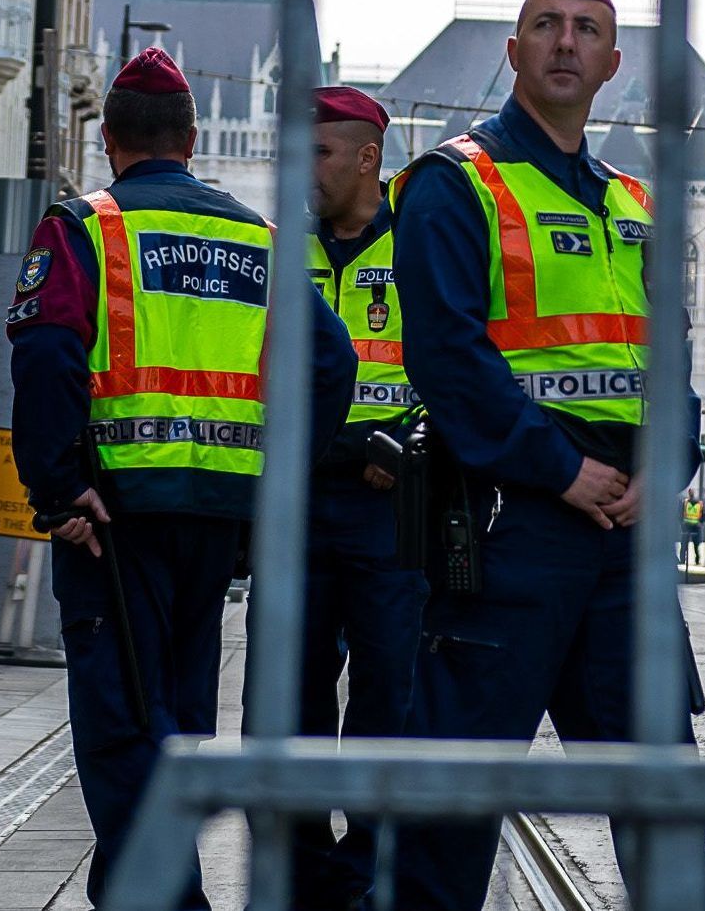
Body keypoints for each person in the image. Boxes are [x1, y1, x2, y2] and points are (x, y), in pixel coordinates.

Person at [376, 0, 705, 910]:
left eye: (585, 27)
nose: (565, 40)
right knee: (447, 824)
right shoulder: (457, 184)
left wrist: (673, 462)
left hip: (624, 542)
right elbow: (446, 358)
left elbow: (673, 363)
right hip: (506, 531)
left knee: (664, 814)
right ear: (513, 51)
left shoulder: (634, 205)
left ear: (613, 60)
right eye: (546, 24)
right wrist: (559, 468)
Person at [7, 46, 357, 909]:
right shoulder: (258, 237)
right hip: (216, 524)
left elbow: (47, 352)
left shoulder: (86, 227)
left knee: (124, 729)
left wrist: (58, 487)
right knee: (175, 723)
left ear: (107, 137)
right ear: (193, 139)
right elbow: (333, 364)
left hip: (113, 519)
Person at [293, 85, 428, 909]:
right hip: (300, 505)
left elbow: (454, 362)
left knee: (390, 689)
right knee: (293, 688)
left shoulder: (418, 249)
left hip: (390, 504)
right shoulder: (281, 250)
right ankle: (307, 870)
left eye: (319, 153)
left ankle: (367, 865)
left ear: (367, 158)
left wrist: (412, 443)